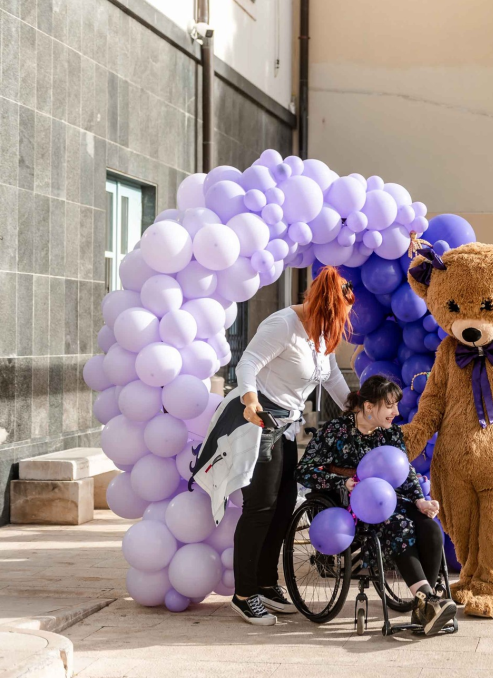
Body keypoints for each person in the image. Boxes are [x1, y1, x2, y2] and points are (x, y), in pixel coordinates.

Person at [192, 266, 354, 626]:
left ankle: (265, 582)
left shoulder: (321, 332)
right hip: (259, 420)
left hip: (287, 425)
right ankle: (244, 594)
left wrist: (357, 411)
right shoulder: (283, 324)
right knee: (261, 507)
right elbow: (247, 363)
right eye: (335, 316)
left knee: (283, 507)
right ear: (321, 305)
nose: (336, 325)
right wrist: (251, 400)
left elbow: (332, 377)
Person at [298, 374, 458, 636]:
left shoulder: (390, 433)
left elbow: (404, 471)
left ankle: (424, 605)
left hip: (388, 499)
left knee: (430, 528)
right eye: (390, 406)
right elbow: (304, 470)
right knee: (399, 526)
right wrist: (341, 482)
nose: (396, 412)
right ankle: (428, 602)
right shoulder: (336, 430)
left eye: (396, 405)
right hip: (350, 506)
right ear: (369, 406)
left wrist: (419, 500)